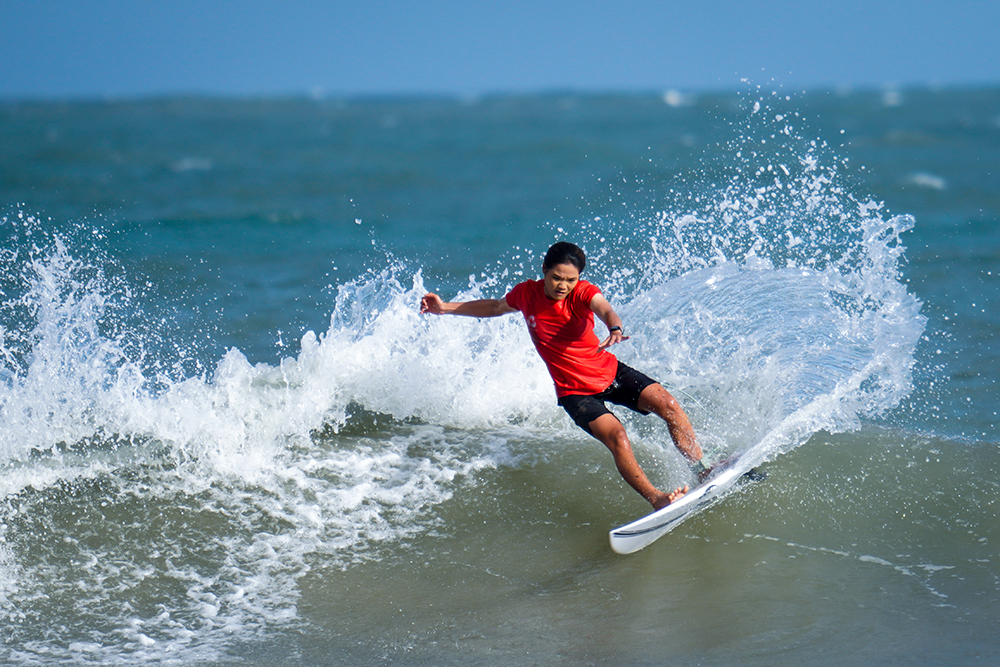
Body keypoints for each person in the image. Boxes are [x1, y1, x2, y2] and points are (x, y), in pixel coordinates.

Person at [420, 241, 711, 511]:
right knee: (618, 437)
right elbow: (495, 307)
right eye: (557, 277)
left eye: (570, 279)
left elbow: (605, 309)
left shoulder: (583, 292)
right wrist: (444, 308)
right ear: (544, 271)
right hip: (575, 393)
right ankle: (657, 499)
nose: (563, 285)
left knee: (669, 406)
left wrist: (615, 329)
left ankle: (701, 470)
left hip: (608, 370)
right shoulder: (527, 294)